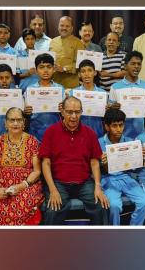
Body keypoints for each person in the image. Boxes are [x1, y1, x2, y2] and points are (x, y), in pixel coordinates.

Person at [40, 96, 110, 225]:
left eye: (77, 112)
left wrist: (98, 187)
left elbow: (94, 162)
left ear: (82, 112)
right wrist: (53, 190)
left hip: (84, 182)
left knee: (102, 205)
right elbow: (46, 162)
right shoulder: (51, 132)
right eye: (69, 112)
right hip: (58, 183)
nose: (73, 116)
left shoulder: (90, 133)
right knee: (52, 210)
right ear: (62, 112)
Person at [0, 107, 44, 225]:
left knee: (21, 203)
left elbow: (37, 171)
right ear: (5, 123)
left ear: (24, 123)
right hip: (0, 184)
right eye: (12, 120)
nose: (15, 123)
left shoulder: (32, 142)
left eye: (19, 120)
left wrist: (22, 186)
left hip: (26, 185)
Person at [98, 108, 145, 225]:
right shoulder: (99, 143)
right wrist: (104, 163)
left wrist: (140, 159)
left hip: (127, 177)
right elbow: (97, 170)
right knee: (114, 206)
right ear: (106, 127)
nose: (118, 129)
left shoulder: (131, 142)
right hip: (108, 179)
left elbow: (135, 169)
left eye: (121, 125)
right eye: (114, 126)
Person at [109, 51, 145, 139]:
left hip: (140, 134)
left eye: (139, 64)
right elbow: (110, 112)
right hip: (120, 135)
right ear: (125, 66)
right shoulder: (115, 87)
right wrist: (113, 108)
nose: (136, 66)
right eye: (133, 63)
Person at [24, 53, 64, 142]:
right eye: (41, 67)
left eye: (49, 67)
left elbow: (65, 115)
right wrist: (26, 112)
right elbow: (26, 114)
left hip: (56, 133)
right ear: (36, 70)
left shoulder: (60, 89)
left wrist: (63, 110)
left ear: (53, 69)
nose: (45, 70)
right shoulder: (30, 89)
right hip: (34, 132)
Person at [69, 59, 106, 137]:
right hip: (77, 133)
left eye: (90, 70)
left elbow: (105, 116)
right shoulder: (73, 93)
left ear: (95, 72)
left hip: (98, 133)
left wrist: (108, 109)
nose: (86, 74)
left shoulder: (102, 93)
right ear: (79, 74)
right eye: (83, 71)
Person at [49, 16, 85, 88]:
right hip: (54, 84)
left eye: (67, 26)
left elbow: (80, 64)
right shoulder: (53, 41)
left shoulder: (78, 43)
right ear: (58, 27)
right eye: (62, 25)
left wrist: (64, 69)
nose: (64, 28)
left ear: (72, 28)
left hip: (71, 85)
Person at [17, 28, 39, 93]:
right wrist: (27, 74)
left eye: (32, 39)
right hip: (24, 88)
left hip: (38, 89)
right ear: (24, 41)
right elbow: (17, 76)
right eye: (27, 39)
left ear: (35, 39)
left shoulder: (40, 55)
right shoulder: (19, 55)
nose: (30, 41)